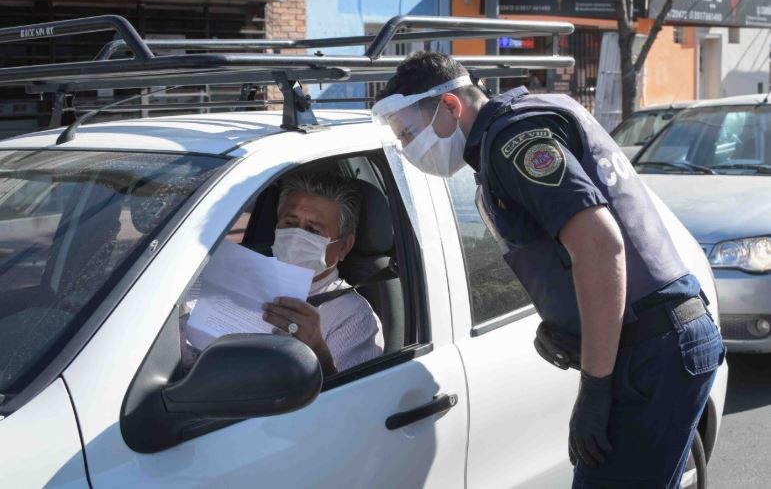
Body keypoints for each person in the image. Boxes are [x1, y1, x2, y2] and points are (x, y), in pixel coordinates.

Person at [372, 51, 725, 488]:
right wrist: (565, 319)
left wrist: (595, 389)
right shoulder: (532, 117)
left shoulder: (512, 141)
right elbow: (562, 246)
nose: (408, 148)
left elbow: (600, 245)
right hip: (658, 339)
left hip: (652, 350)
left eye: (408, 132)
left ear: (449, 106)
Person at [182, 172, 384, 376]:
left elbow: (347, 402)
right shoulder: (226, 275)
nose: (296, 237)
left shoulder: (353, 316)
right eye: (290, 223)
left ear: (344, 247)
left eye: (313, 230)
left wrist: (316, 349)